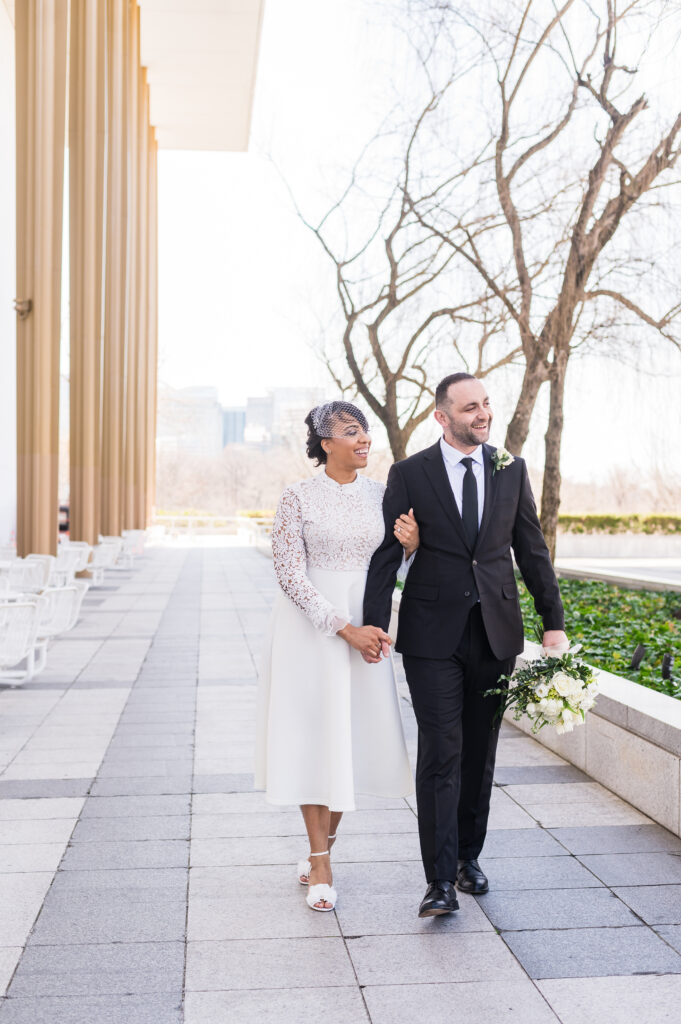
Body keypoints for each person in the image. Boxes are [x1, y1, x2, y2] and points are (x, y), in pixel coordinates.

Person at [363, 373, 568, 918]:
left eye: (485, 404)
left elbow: (532, 549)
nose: (482, 414)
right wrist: (374, 623)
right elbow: (388, 551)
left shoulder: (510, 468)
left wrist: (553, 620)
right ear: (442, 416)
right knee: (440, 752)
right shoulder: (409, 473)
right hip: (432, 636)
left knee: (479, 753)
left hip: (496, 632)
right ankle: (438, 881)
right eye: (470, 407)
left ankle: (468, 859)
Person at [255, 401, 417, 912]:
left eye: (365, 431)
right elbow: (288, 574)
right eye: (351, 432)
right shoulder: (297, 497)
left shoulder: (384, 495)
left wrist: (413, 548)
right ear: (326, 443)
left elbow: (394, 566)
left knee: (354, 740)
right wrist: (342, 627)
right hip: (313, 631)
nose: (364, 439)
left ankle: (323, 846)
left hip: (368, 625)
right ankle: (320, 860)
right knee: (315, 738)